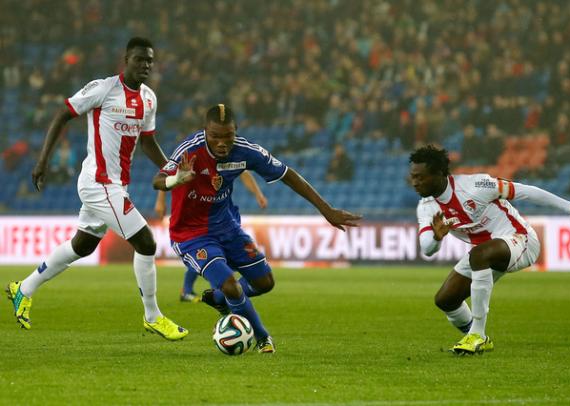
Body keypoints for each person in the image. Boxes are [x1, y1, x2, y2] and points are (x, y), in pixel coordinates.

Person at [6, 37, 188, 341]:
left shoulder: (149, 99)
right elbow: (63, 114)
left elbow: (147, 141)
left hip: (116, 185)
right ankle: (153, 316)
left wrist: (171, 166)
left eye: (150, 61)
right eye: (139, 59)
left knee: (83, 245)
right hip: (98, 183)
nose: (145, 66)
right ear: (126, 60)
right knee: (145, 243)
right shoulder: (104, 88)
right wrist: (42, 160)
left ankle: (23, 289)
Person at [153, 104, 362, 353]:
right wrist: (177, 179)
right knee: (231, 284)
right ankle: (263, 337)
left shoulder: (245, 151)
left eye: (227, 136)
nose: (221, 143)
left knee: (265, 283)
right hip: (191, 234)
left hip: (227, 227)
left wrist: (326, 210)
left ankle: (220, 299)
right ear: (205, 132)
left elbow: (287, 174)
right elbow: (158, 180)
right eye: (215, 137)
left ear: (236, 132)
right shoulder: (190, 150)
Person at [409, 145, 570, 354]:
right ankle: (472, 335)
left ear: (439, 173)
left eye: (420, 177)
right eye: (413, 177)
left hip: (521, 240)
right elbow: (427, 248)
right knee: (445, 300)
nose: (415, 182)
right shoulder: (426, 207)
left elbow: (526, 192)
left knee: (479, 254)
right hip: (485, 253)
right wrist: (438, 238)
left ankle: (478, 335)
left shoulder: (476, 185)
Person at [154, 171, 268, 302]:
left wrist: (258, 194)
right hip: (202, 215)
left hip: (226, 212)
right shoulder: (193, 153)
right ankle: (205, 292)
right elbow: (167, 171)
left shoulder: (229, 156)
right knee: (209, 254)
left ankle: (215, 294)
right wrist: (160, 200)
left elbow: (243, 171)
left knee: (223, 257)